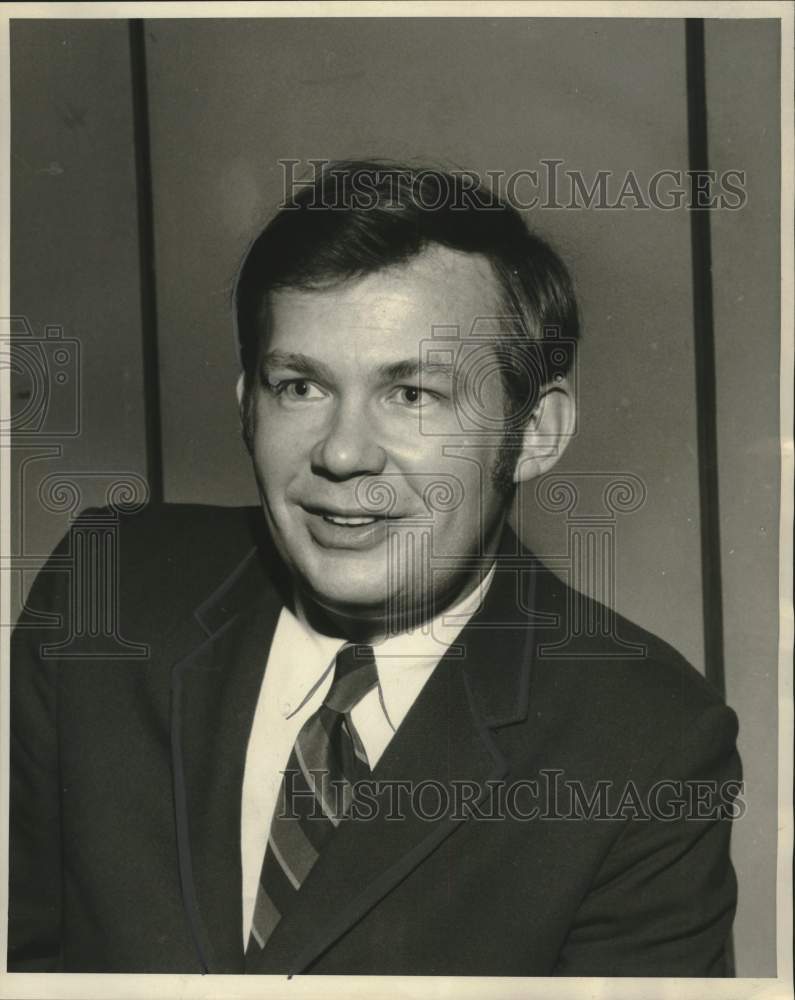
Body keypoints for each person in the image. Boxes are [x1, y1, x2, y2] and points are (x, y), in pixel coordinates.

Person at [8, 160, 741, 976]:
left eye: (413, 394)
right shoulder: (107, 591)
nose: (343, 453)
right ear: (247, 402)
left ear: (533, 433)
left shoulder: (646, 743)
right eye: (300, 387)